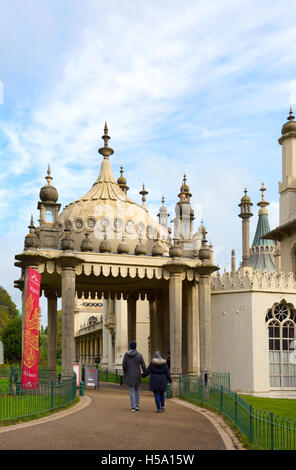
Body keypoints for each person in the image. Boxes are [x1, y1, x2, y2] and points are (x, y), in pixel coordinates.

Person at [122, 341, 146, 412]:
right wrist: (145, 372)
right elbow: (143, 365)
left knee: (131, 390)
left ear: (130, 347)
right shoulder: (139, 355)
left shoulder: (126, 355)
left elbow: (124, 365)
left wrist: (125, 371)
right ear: (135, 347)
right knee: (137, 390)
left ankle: (133, 406)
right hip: (137, 374)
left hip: (129, 374)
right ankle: (137, 405)